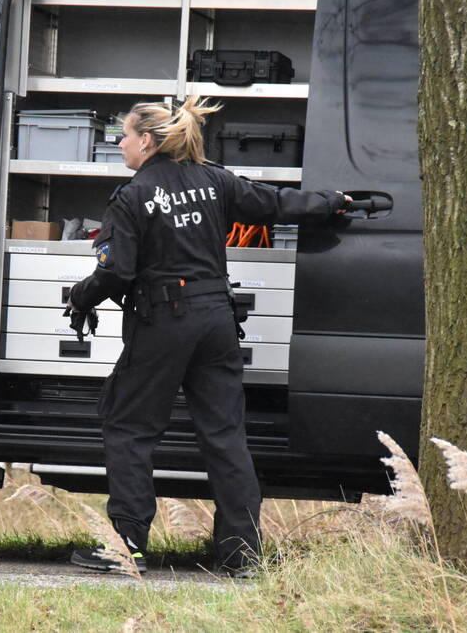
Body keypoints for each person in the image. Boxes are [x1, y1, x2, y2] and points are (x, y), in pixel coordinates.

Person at [66, 96, 349, 576]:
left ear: (148, 142)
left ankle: (127, 547)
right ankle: (242, 555)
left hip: (163, 323)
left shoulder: (133, 196)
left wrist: (81, 296)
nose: (120, 144)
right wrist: (333, 202)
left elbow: (116, 271)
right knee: (224, 435)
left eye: (126, 136)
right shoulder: (214, 180)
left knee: (129, 428)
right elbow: (275, 204)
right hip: (217, 319)